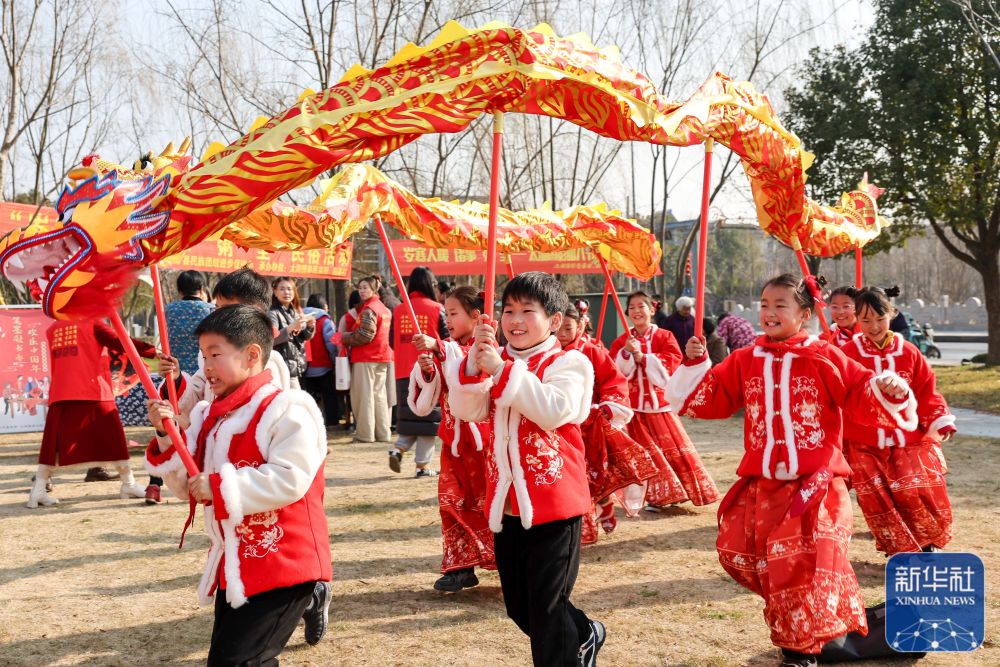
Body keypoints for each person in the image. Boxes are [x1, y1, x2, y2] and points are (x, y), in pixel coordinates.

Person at [667, 274, 919, 667]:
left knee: (808, 561)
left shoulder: (825, 356)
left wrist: (887, 390)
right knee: (756, 560)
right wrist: (697, 363)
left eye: (780, 305)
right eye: (764, 304)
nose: (769, 312)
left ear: (803, 314)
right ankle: (809, 638)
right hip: (764, 487)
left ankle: (801, 650)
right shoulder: (746, 358)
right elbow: (706, 400)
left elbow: (859, 394)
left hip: (817, 486)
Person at [145, 305, 332, 663]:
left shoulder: (289, 409)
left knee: (238, 661)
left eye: (215, 355)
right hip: (236, 564)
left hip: (284, 563)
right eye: (203, 357)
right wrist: (165, 434)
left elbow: (289, 478)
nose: (207, 367)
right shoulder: (209, 415)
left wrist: (218, 486)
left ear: (252, 355)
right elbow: (188, 484)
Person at [446, 272, 605, 667]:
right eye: (508, 310)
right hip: (508, 505)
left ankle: (570, 648)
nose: (514, 320)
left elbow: (552, 409)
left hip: (555, 506)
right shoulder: (499, 362)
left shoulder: (570, 362)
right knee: (520, 607)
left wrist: (501, 370)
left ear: (553, 320)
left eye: (526, 311)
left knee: (548, 610)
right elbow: (467, 410)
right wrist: (472, 368)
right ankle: (585, 632)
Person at [841, 286, 956, 554]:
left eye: (879, 319)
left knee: (915, 488)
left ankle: (927, 544)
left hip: (908, 437)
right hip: (864, 442)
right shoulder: (847, 353)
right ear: (856, 318)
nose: (873, 326)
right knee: (877, 498)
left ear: (892, 314)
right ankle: (901, 552)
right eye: (865, 320)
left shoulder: (909, 352)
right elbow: (838, 396)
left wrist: (940, 420)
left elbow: (927, 391)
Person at [408, 286, 496, 591]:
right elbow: (435, 389)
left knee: (489, 505)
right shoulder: (447, 347)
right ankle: (460, 567)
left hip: (483, 444)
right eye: (446, 313)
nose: (448, 319)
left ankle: (505, 561)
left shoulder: (486, 343)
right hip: (453, 442)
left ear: (475, 316)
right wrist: (428, 371)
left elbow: (471, 368)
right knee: (451, 502)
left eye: (453, 313)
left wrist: (440, 350)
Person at [27, 317, 157, 508]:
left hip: (61, 394)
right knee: (115, 441)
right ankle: (128, 483)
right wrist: (153, 351)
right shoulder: (93, 324)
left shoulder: (53, 328)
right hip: (93, 391)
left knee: (52, 447)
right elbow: (122, 342)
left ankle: (38, 490)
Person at [609, 291, 719, 514]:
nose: (637, 311)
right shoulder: (623, 341)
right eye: (632, 307)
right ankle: (653, 497)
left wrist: (645, 358)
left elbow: (672, 364)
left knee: (669, 450)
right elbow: (614, 370)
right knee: (643, 454)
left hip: (659, 405)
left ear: (652, 309)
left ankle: (678, 492)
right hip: (634, 408)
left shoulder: (665, 336)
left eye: (642, 306)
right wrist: (626, 354)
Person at [558, 304, 657, 543]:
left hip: (589, 423)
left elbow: (613, 380)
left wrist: (608, 407)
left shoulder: (591, 350)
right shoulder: (547, 352)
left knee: (593, 473)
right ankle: (576, 527)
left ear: (580, 325)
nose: (561, 333)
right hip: (557, 422)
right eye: (557, 328)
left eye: (567, 328)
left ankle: (604, 504)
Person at [388, 267, 448, 477]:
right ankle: (422, 466)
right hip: (428, 369)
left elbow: (392, 341)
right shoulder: (437, 308)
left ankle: (399, 448)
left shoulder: (398, 309)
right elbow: (446, 341)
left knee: (408, 416)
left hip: (403, 369)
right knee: (428, 420)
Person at [342, 275, 392, 443]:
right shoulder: (384, 309)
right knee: (379, 396)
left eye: (365, 287)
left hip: (366, 357)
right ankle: (382, 433)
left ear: (374, 289)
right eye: (360, 287)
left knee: (364, 396)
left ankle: (365, 434)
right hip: (382, 356)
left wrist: (344, 337)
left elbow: (364, 335)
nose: (362, 291)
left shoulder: (369, 309)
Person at [302, 294, 341, 430]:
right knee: (329, 396)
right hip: (324, 365)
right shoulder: (325, 320)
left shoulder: (300, 317)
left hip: (305, 366)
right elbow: (332, 343)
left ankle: (311, 425)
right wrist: (335, 360)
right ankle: (332, 423)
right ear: (324, 306)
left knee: (309, 398)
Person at [270, 277, 316, 390]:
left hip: (296, 366)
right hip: (282, 368)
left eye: (290, 289)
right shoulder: (272, 313)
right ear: (275, 292)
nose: (287, 292)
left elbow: (304, 337)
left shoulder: (296, 312)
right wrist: (291, 327)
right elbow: (271, 339)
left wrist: (310, 327)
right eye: (282, 289)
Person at [165, 270, 214, 375]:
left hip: (175, 373)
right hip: (203, 373)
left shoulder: (168, 310)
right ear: (201, 288)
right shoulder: (211, 310)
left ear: (179, 290)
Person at [337, 290, 362, 432]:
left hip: (349, 357)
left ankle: (351, 419)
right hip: (364, 357)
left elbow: (338, 339)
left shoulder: (346, 317)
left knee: (351, 391)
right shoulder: (368, 313)